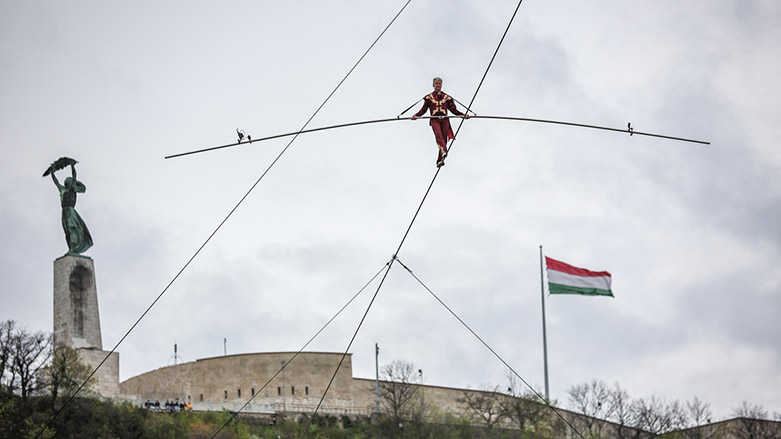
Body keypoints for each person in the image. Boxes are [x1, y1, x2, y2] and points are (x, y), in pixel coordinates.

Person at [412, 77, 470, 167]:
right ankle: (444, 151)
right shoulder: (429, 97)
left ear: (441, 85)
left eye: (439, 83)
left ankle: (440, 160)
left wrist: (463, 115)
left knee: (444, 139)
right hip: (435, 120)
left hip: (444, 120)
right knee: (439, 136)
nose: (438, 85)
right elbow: (423, 110)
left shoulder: (447, 97)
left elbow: (453, 110)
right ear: (433, 85)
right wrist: (416, 115)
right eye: (436, 84)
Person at [50, 163, 93, 255]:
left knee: (71, 228)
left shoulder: (71, 189)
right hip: (64, 211)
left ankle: (74, 248)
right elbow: (56, 182)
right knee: (66, 230)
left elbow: (74, 176)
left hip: (70, 211)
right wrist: (52, 172)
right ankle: (70, 247)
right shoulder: (62, 189)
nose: (65, 182)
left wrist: (72, 166)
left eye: (67, 181)